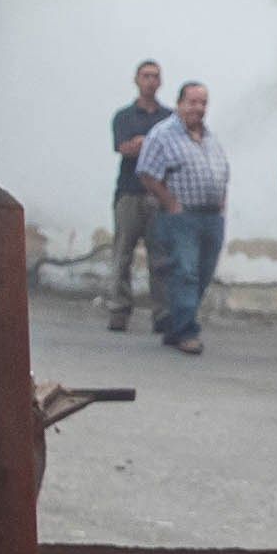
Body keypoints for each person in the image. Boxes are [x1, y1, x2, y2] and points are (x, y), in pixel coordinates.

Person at [128, 77, 235, 353]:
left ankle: (176, 326)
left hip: (211, 218)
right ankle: (187, 332)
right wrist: (170, 202)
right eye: (192, 102)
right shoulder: (162, 134)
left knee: (203, 274)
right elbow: (146, 172)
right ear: (179, 104)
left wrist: (222, 205)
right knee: (185, 272)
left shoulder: (210, 137)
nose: (198, 108)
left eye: (203, 103)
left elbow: (223, 173)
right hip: (181, 217)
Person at [104, 60, 171, 331]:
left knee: (161, 257)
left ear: (161, 82)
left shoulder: (169, 118)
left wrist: (143, 143)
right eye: (146, 76)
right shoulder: (124, 116)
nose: (150, 81)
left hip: (159, 193)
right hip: (129, 193)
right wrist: (150, 144)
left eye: (155, 76)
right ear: (136, 80)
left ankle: (162, 313)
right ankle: (119, 309)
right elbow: (124, 148)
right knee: (122, 253)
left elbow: (171, 152)